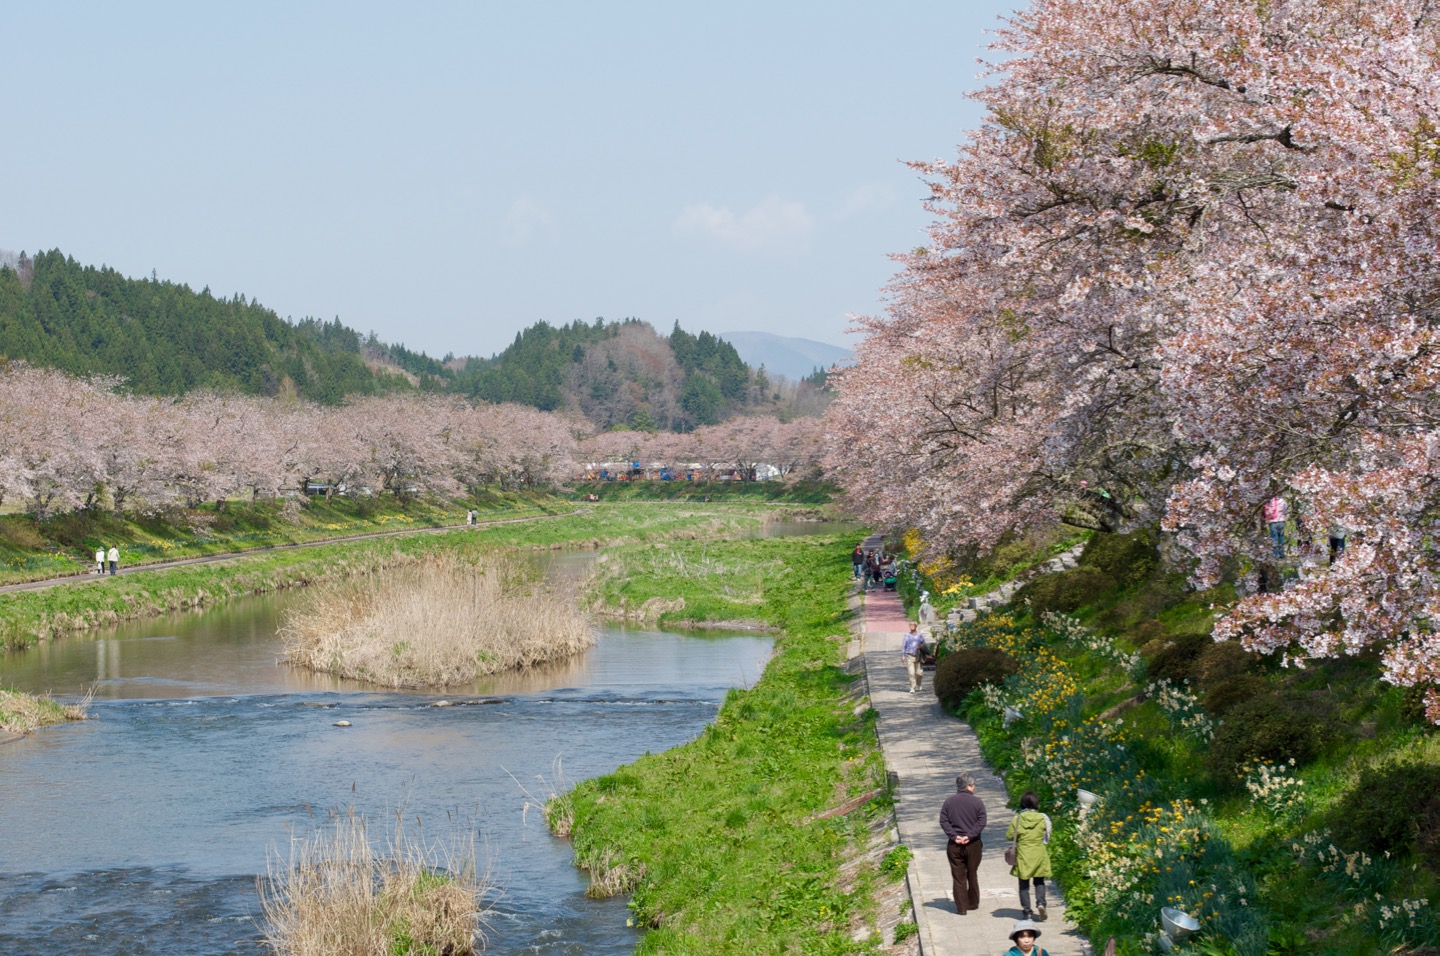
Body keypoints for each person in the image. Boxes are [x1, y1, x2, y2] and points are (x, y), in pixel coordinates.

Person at [939, 772, 986, 915]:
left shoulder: (949, 802)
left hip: (954, 845)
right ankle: (973, 902)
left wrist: (954, 836)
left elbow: (944, 821)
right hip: (973, 844)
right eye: (974, 785)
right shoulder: (977, 802)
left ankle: (961, 907)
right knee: (972, 873)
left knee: (958, 876)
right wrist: (969, 836)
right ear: (969, 786)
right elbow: (981, 821)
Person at [1006, 791, 1053, 921]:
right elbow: (1048, 835)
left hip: (1023, 854)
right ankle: (1041, 903)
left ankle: (1027, 912)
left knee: (1023, 884)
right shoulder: (1043, 818)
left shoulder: (1017, 819)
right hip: (1039, 852)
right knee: (1039, 881)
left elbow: (1009, 835)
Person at [902, 622, 925, 694]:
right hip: (910, 656)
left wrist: (921, 647)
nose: (911, 626)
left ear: (915, 626)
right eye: (910, 625)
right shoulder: (907, 635)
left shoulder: (919, 635)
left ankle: (919, 684)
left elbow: (924, 644)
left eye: (912, 625)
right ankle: (912, 687)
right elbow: (903, 646)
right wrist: (903, 655)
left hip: (918, 656)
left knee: (919, 673)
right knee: (911, 673)